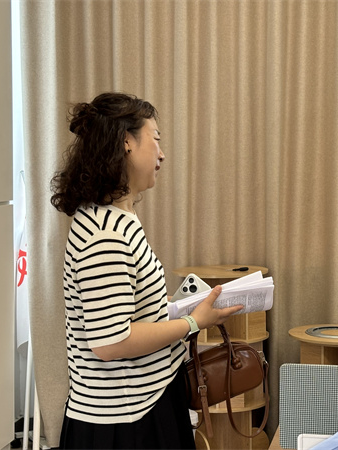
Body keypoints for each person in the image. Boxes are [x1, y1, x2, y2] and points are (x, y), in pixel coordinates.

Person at [50, 92, 244, 449]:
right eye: (155, 139)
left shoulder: (120, 218)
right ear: (127, 142)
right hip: (124, 421)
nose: (162, 154)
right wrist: (192, 322)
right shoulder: (104, 234)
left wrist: (179, 309)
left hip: (147, 401)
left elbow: (127, 311)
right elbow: (110, 342)